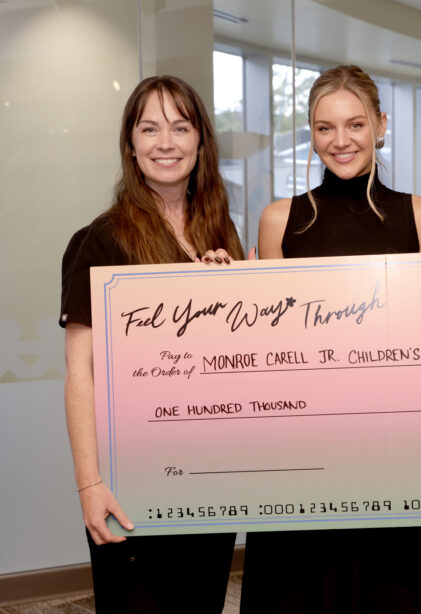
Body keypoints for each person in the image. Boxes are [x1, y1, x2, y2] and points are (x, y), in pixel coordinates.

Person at [240, 64, 421, 614]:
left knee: (388, 593)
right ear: (311, 133)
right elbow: (268, 346)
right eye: (325, 128)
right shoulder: (279, 219)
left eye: (355, 124)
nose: (341, 140)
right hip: (300, 445)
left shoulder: (420, 216)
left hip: (392, 443)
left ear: (381, 124)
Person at [60, 75, 244, 613]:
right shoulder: (103, 239)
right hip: (131, 482)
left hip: (210, 479)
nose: (166, 142)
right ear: (131, 144)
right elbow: (80, 373)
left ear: (201, 142)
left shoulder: (221, 234)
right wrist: (89, 485)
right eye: (150, 128)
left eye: (180, 127)